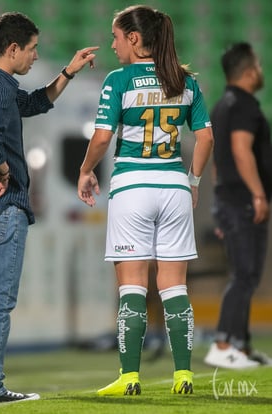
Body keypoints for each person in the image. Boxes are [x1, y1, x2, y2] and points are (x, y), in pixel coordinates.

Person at [0, 11, 97, 406]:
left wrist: (68, 72)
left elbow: (33, 104)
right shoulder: (0, 89)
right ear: (12, 48)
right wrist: (2, 171)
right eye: (32, 49)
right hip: (2, 206)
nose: (35, 57)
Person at [77, 5, 213, 396]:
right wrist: (194, 182)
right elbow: (205, 139)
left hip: (132, 187)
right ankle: (184, 375)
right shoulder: (185, 80)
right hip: (173, 188)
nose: (113, 44)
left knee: (132, 286)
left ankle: (130, 377)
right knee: (175, 287)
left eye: (117, 36)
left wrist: (85, 170)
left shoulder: (118, 79)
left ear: (134, 39)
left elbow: (102, 138)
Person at [204, 42, 272, 369]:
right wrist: (258, 194)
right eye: (258, 65)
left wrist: (220, 204)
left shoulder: (221, 106)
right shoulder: (244, 105)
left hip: (228, 199)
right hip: (243, 201)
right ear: (248, 71)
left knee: (243, 274)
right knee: (245, 275)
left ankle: (241, 345)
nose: (260, 71)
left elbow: (220, 160)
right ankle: (222, 343)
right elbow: (241, 150)